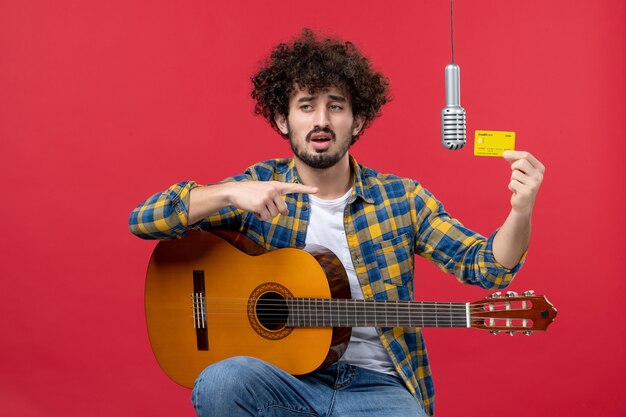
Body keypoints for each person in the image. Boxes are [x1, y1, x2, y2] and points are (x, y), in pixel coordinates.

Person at [129, 29, 544, 417]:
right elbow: (144, 220)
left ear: (357, 121)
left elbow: (485, 266)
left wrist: (520, 210)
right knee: (222, 381)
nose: (321, 120)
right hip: (284, 381)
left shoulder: (401, 199)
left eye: (336, 106)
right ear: (282, 120)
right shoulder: (254, 189)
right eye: (306, 106)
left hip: (377, 389)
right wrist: (226, 193)